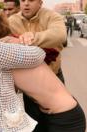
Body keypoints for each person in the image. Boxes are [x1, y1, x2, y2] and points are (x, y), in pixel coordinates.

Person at [0, 12, 86, 132]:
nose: (26, 3)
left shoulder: (11, 56)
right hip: (59, 111)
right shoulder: (14, 53)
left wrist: (29, 39)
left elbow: (59, 36)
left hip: (65, 118)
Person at [8, 0, 67, 131]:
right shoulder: (12, 20)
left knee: (56, 117)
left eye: (31, 0)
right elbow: (1, 40)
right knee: (32, 122)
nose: (26, 4)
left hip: (53, 77)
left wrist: (33, 37)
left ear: (40, 3)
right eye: (23, 0)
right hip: (27, 83)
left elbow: (60, 35)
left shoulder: (52, 16)